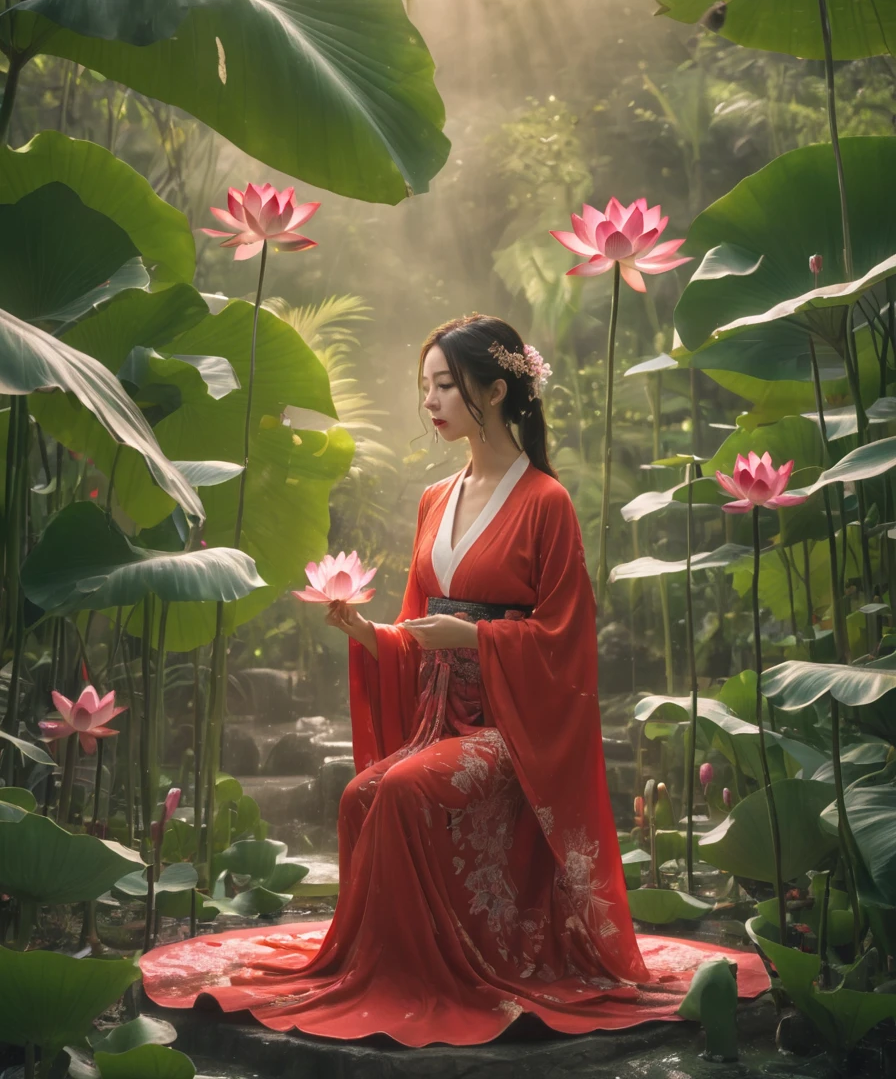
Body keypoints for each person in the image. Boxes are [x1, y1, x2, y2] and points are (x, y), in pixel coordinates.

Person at [141, 315, 766, 1045]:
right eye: (425, 387)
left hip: (508, 733)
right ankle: (385, 966)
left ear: (496, 391)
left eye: (446, 385)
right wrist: (369, 634)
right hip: (441, 720)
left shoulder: (546, 503)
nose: (430, 402)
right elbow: (414, 630)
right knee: (358, 795)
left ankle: (450, 970)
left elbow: (566, 641)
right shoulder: (433, 500)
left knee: (403, 791)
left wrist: (474, 636)